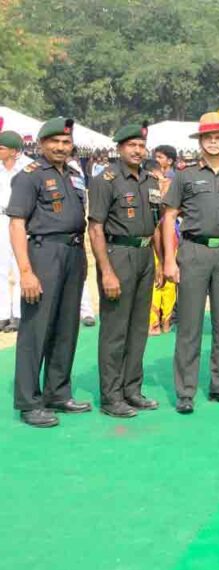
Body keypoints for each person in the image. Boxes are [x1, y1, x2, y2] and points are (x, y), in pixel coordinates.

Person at [162, 111, 219, 414]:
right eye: (208, 138)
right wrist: (169, 260)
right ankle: (185, 391)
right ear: (200, 142)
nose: (214, 143)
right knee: (189, 324)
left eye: (218, 138)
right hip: (194, 252)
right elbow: (169, 216)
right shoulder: (185, 175)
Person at [8, 117, 91, 427]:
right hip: (44, 254)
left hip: (73, 253)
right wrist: (26, 271)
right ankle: (29, 402)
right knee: (36, 329)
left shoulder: (73, 174)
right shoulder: (29, 177)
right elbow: (16, 224)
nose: (60, 146)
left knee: (66, 327)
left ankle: (58, 392)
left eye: (65, 141)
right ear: (42, 144)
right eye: (54, 141)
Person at [87, 123, 164, 418]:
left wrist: (157, 261)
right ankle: (111, 396)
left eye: (141, 146)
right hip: (118, 254)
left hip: (144, 255)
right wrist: (106, 272)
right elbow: (95, 228)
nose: (137, 150)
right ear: (119, 148)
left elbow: (155, 225)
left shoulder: (150, 180)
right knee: (115, 330)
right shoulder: (105, 180)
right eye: (131, 145)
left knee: (138, 328)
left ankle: (132, 389)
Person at [0, 127, 32, 333]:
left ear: (13, 150)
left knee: (22, 265)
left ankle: (20, 314)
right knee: (1, 268)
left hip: (22, 221)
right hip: (1, 218)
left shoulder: (28, 167)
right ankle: (3, 314)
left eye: (1, 148)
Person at [149, 145, 177, 335]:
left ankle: (164, 321)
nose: (157, 159)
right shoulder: (151, 180)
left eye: (160, 157)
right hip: (155, 231)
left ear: (170, 161)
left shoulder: (175, 181)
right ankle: (157, 321)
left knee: (167, 274)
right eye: (155, 156)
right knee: (157, 275)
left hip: (169, 231)